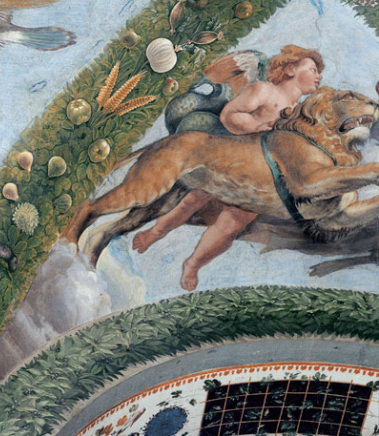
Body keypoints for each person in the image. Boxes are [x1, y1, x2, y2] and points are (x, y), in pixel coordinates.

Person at [132, 44, 324, 290]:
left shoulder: (299, 114)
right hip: (233, 158)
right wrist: (257, 128)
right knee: (193, 200)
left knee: (231, 225)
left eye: (319, 72)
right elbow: (230, 114)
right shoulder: (265, 91)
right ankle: (156, 232)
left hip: (259, 178)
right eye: (312, 69)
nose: (318, 76)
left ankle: (194, 263)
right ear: (290, 69)